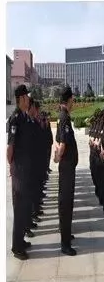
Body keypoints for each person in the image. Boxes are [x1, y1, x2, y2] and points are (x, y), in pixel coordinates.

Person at [7, 85, 33, 260]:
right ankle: (16, 248)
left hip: (26, 169)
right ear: (22, 99)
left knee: (24, 208)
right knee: (19, 209)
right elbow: (10, 147)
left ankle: (21, 240)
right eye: (27, 97)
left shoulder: (24, 117)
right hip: (20, 171)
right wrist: (13, 166)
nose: (29, 99)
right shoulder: (15, 119)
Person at [55, 86, 78, 256]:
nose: (74, 102)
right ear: (69, 100)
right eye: (73, 99)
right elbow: (62, 144)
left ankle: (66, 234)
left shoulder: (63, 116)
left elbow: (57, 141)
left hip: (68, 167)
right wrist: (57, 157)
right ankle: (65, 244)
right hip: (66, 168)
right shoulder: (64, 117)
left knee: (67, 203)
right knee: (66, 203)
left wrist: (57, 154)